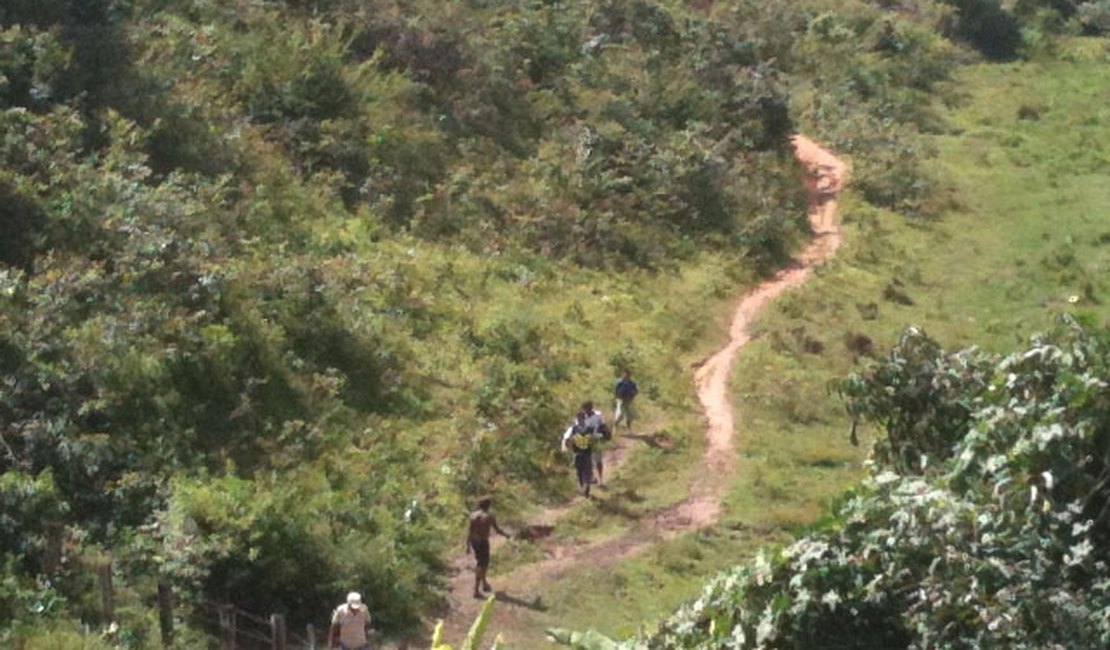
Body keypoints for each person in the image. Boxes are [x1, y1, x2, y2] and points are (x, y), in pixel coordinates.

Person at [466, 497, 509, 599]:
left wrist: (467, 545)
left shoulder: (473, 515)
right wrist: (506, 535)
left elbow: (470, 531)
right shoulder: (489, 516)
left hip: (474, 540)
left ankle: (484, 583)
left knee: (481, 562)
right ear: (488, 506)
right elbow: (497, 530)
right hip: (482, 541)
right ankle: (476, 590)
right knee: (482, 564)